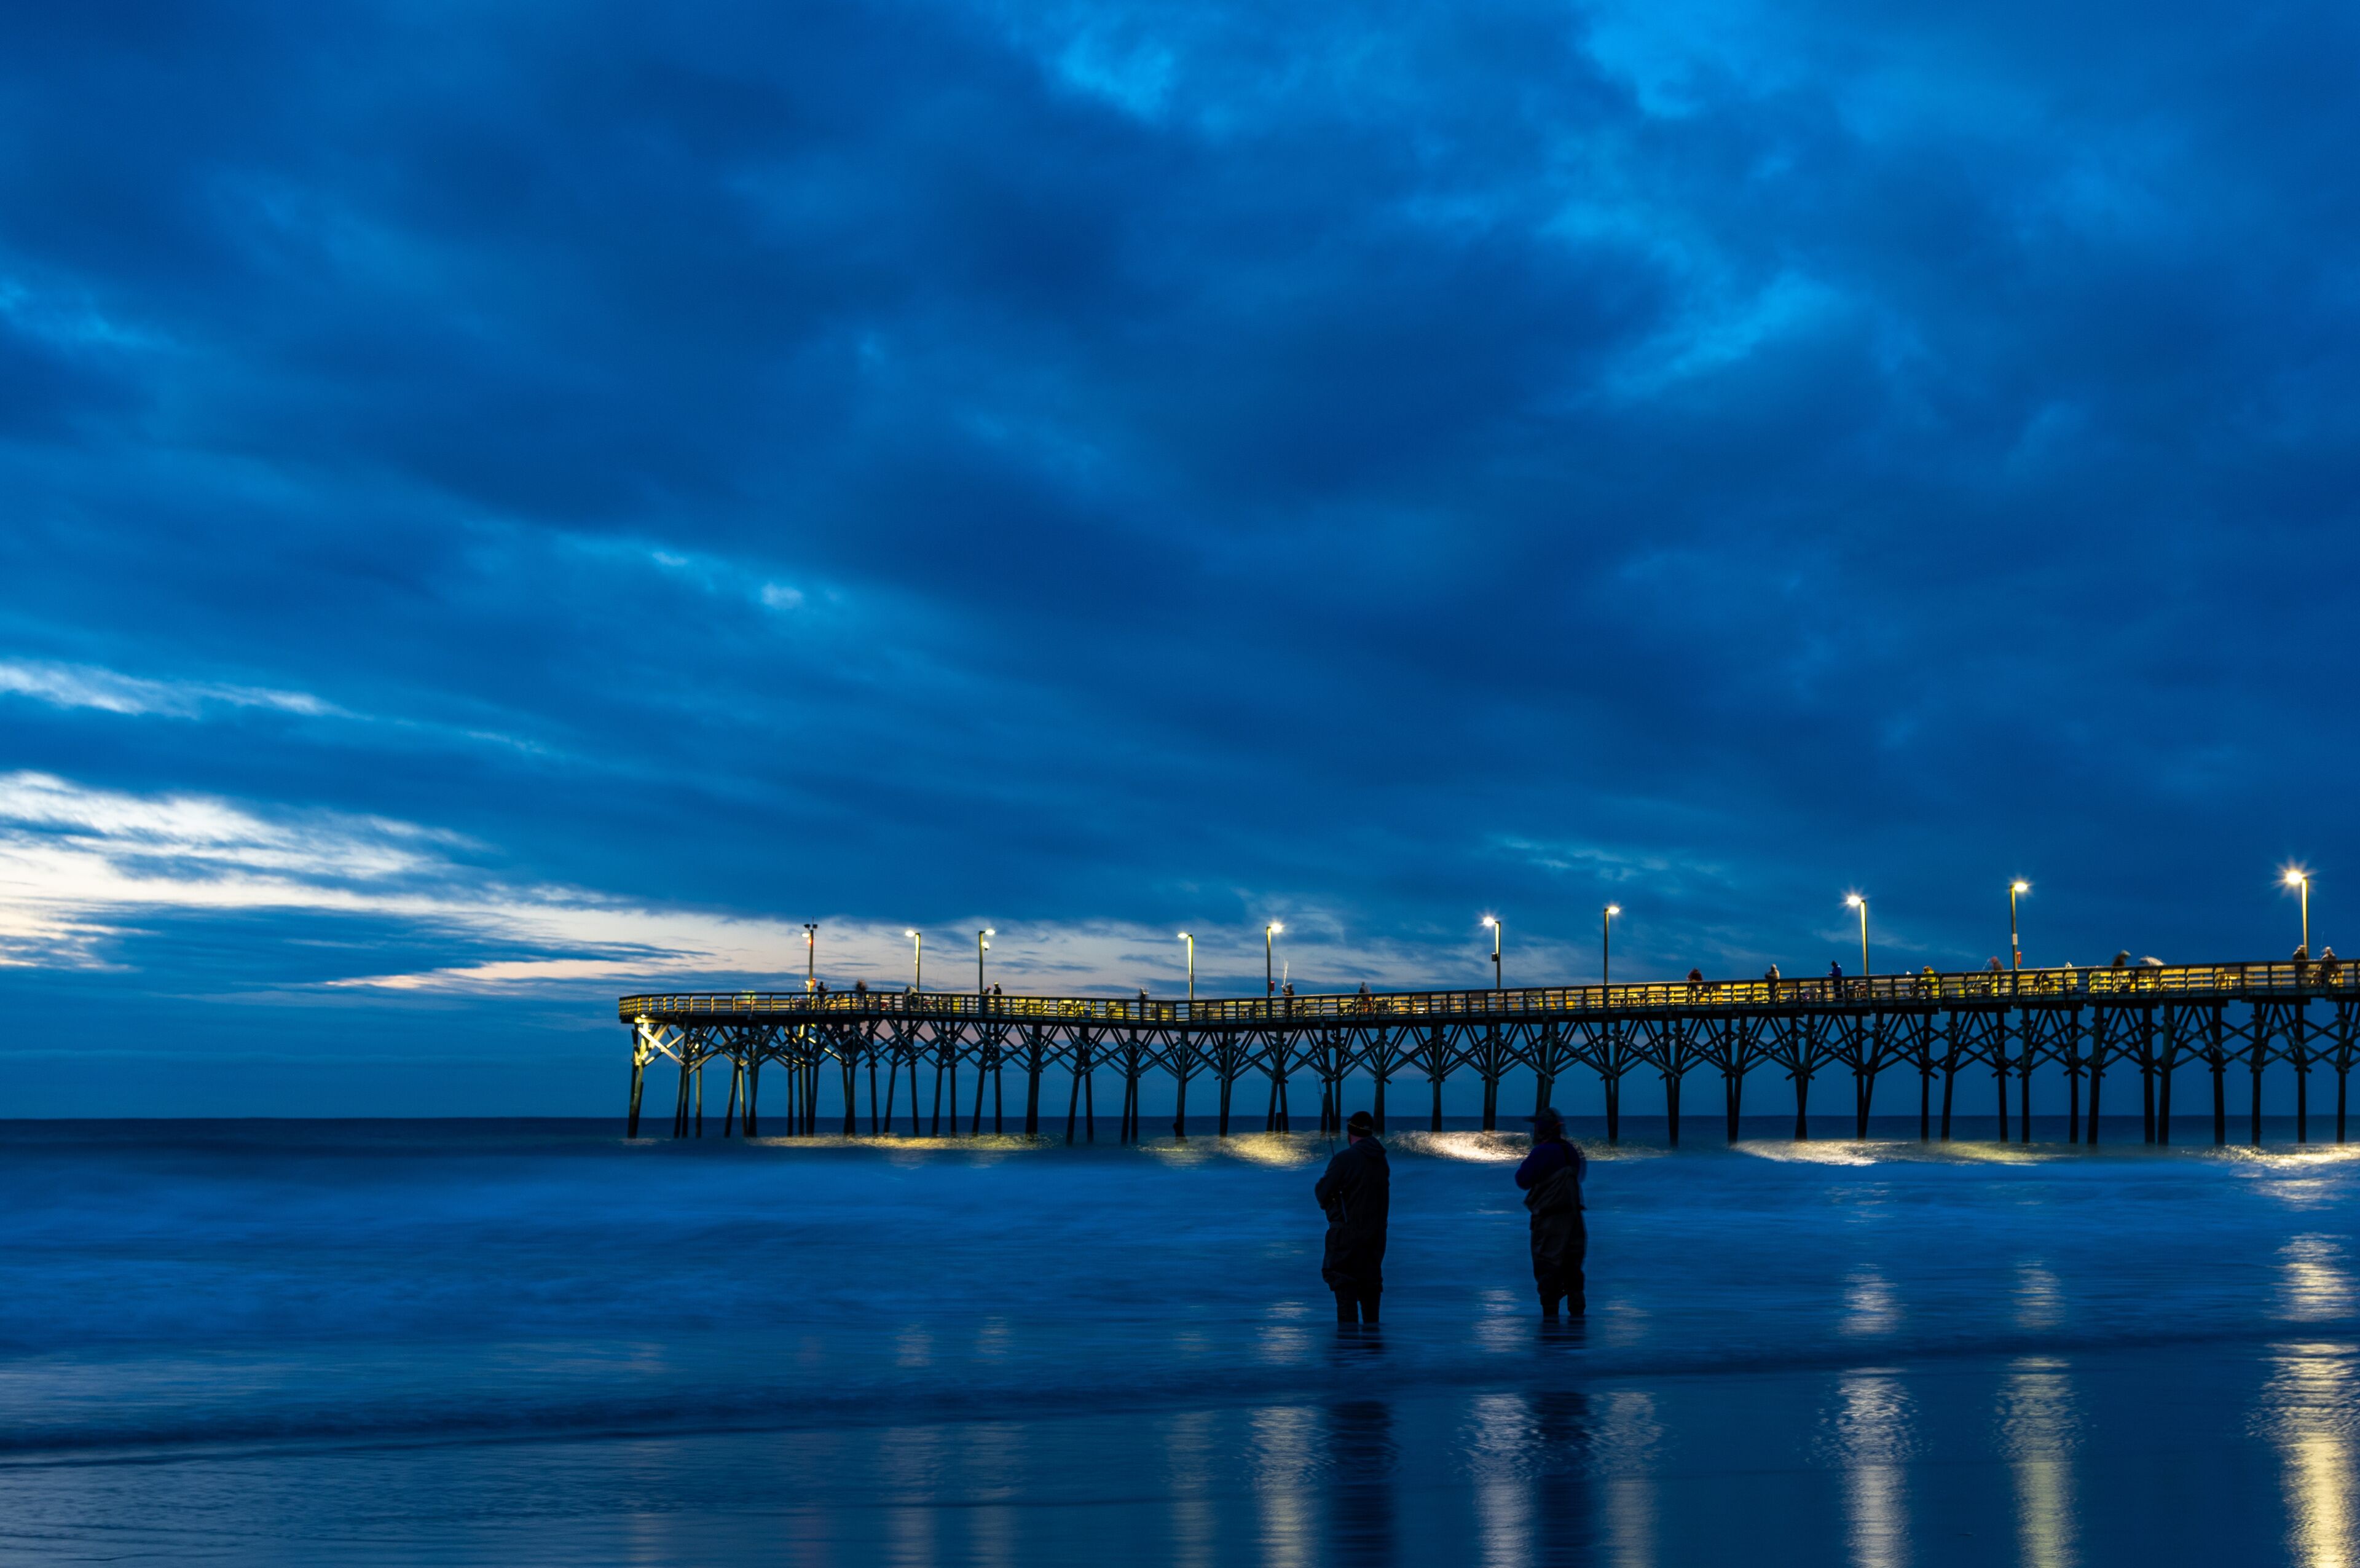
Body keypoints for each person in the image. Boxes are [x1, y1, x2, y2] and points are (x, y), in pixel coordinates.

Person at [1315, 1110, 1389, 1325]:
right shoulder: (1381, 1160)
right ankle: (1372, 1345)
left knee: (1346, 1304)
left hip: (1346, 1241)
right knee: (1371, 1305)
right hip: (1376, 1240)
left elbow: (1321, 1193)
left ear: (1350, 1133)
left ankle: (1349, 1345)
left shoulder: (1344, 1159)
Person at [1516, 1107, 1586, 1318]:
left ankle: (1550, 1318)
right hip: (1574, 1218)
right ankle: (1577, 1317)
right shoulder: (1570, 1150)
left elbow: (1522, 1180)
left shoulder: (1542, 1152)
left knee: (1547, 1267)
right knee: (1572, 1267)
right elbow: (1579, 1176)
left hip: (1549, 1220)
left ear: (1541, 1130)